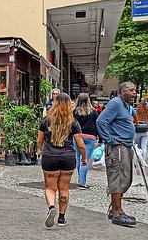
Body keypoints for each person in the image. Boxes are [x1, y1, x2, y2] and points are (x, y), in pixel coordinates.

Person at [37, 93, 86, 228]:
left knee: (50, 187)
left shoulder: (46, 120)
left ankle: (51, 207)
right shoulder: (73, 122)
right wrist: (84, 157)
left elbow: (39, 140)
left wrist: (40, 151)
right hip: (68, 157)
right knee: (64, 188)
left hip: (50, 157)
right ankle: (62, 218)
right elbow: (80, 144)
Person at [96, 82, 138, 227]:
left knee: (125, 178)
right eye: (131, 90)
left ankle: (115, 208)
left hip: (125, 146)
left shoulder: (126, 105)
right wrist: (109, 140)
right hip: (117, 148)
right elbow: (101, 121)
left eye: (135, 90)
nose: (134, 93)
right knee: (117, 178)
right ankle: (117, 212)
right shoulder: (115, 103)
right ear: (122, 91)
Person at [72, 93, 98, 189]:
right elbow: (97, 125)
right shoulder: (94, 112)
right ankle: (82, 181)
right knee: (85, 159)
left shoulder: (74, 112)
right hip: (90, 137)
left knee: (79, 158)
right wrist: (101, 139)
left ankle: (80, 178)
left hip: (78, 137)